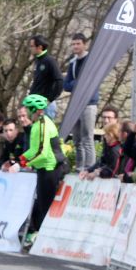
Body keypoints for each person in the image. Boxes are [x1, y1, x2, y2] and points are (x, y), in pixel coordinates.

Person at [20, 94, 68, 247]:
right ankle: (41, 236)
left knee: (46, 205)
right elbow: (33, 150)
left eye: (28, 109)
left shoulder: (42, 125)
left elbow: (41, 152)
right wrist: (18, 160)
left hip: (50, 168)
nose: (26, 112)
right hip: (44, 168)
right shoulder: (38, 124)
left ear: (35, 109)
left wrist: (21, 162)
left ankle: (48, 239)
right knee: (41, 204)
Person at [64, 33, 99, 171]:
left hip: (88, 102)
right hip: (75, 103)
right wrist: (77, 83)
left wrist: (77, 84)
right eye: (73, 44)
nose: (75, 46)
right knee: (77, 139)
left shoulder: (91, 60)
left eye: (78, 43)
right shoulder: (72, 62)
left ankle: (90, 168)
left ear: (84, 44)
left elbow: (89, 82)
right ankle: (79, 167)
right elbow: (66, 85)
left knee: (87, 137)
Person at [27, 35, 64, 120]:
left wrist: (49, 100)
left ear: (39, 47)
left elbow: (60, 81)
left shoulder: (49, 61)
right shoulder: (38, 61)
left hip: (45, 106)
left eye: (32, 46)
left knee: (44, 132)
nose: (30, 48)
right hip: (36, 104)